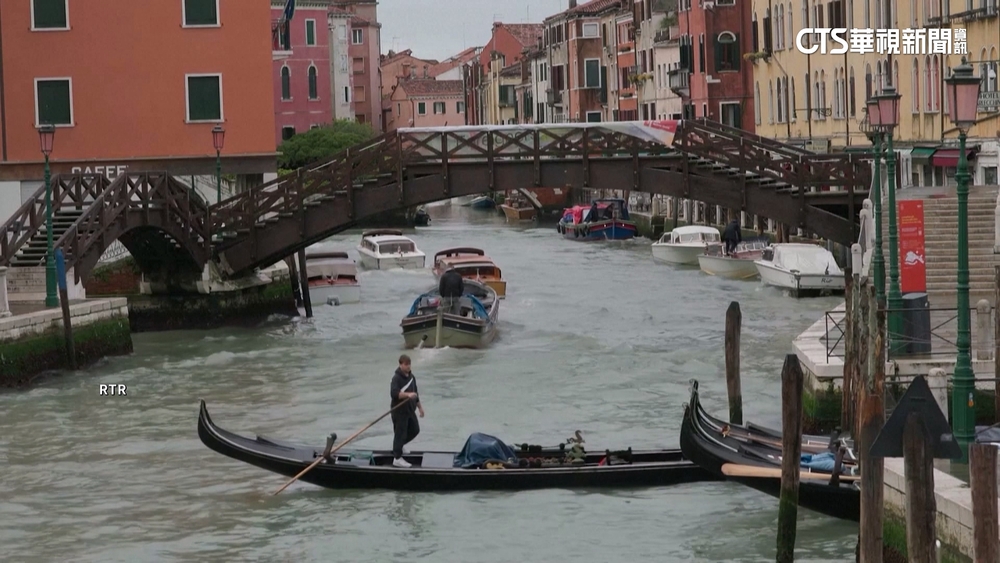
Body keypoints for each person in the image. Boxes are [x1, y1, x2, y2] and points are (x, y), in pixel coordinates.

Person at [389, 354, 424, 468]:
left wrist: (420, 407)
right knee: (400, 433)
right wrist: (408, 395)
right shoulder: (396, 378)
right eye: (406, 364)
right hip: (399, 412)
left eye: (409, 364)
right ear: (400, 365)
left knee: (415, 430)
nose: (408, 367)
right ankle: (397, 458)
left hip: (410, 410)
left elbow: (415, 393)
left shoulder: (411, 377)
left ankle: (399, 446)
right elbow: (394, 394)